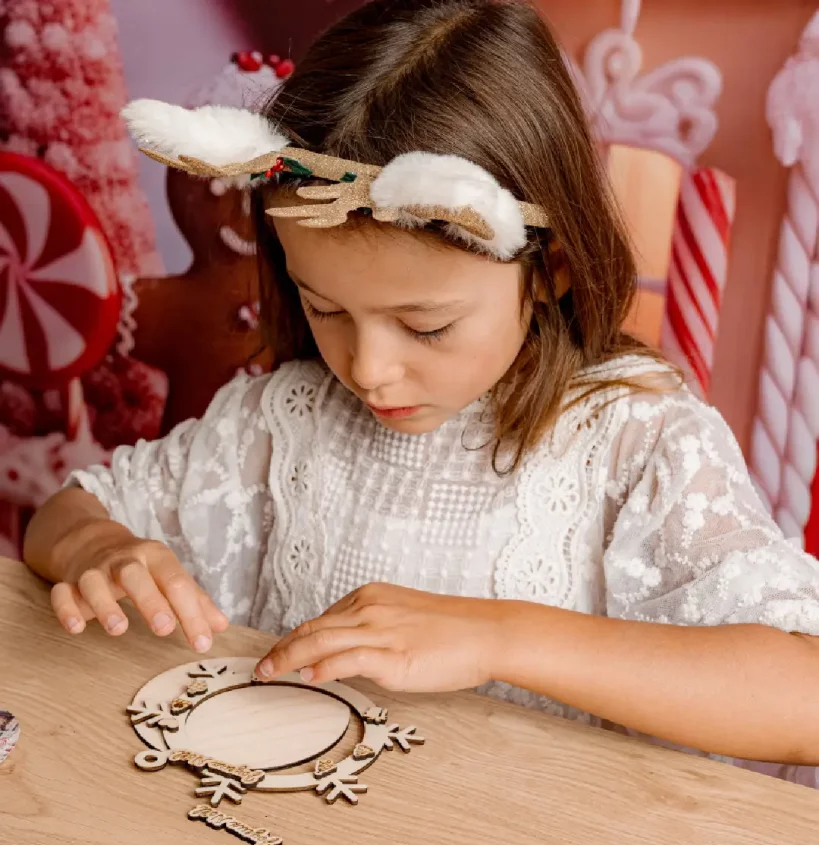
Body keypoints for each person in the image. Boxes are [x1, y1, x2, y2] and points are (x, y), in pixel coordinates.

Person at [23, 0, 819, 778]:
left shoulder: (637, 443)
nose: (367, 370)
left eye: (425, 326)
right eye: (324, 306)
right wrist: (99, 547)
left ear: (551, 270)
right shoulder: (285, 422)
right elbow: (65, 514)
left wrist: (498, 637)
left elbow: (801, 696)